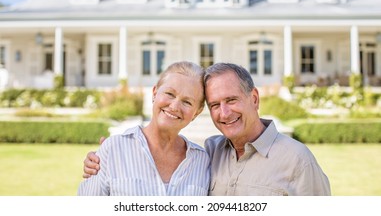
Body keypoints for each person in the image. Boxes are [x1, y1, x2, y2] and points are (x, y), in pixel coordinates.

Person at [83, 62, 331, 196]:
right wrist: (103, 157)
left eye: (232, 100)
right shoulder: (211, 153)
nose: (224, 113)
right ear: (155, 94)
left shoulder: (298, 161)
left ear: (254, 98)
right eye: (215, 104)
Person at [78, 61, 210, 196]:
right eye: (170, 94)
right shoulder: (112, 150)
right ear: (154, 93)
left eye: (187, 102)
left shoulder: (203, 161)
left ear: (197, 113)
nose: (175, 106)